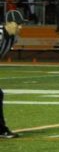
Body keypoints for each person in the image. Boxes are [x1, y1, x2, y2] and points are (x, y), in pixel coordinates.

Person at [0, 10, 26, 138]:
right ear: (8, 23)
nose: (20, 27)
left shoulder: (13, 37)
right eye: (17, 24)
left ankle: (1, 129)